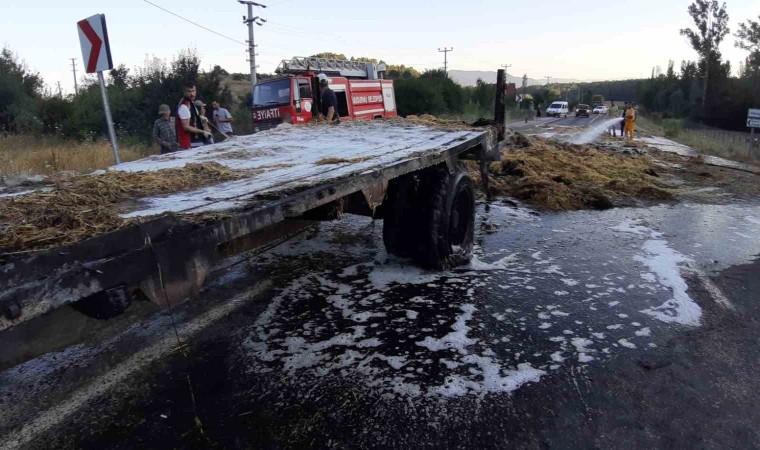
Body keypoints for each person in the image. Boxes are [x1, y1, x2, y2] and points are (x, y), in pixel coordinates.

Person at [176, 82, 212, 149]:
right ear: (184, 92)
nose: (192, 94)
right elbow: (186, 127)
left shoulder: (190, 103)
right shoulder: (184, 106)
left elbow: (192, 119)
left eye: (193, 91)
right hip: (189, 143)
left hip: (196, 141)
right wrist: (203, 132)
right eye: (189, 91)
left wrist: (201, 117)